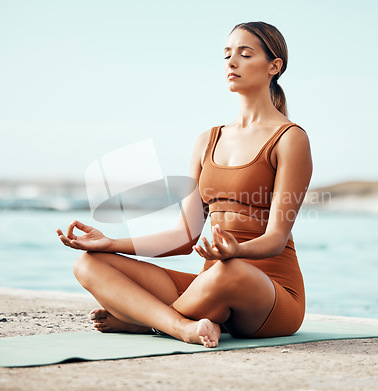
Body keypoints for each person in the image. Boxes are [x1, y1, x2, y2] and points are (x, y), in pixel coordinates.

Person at [56, 21, 312, 348]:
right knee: (89, 264)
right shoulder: (207, 140)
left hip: (272, 297)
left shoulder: (290, 139)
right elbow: (184, 236)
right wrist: (109, 243)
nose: (231, 63)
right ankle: (181, 326)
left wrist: (236, 251)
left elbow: (276, 238)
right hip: (210, 286)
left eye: (245, 55)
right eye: (227, 55)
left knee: (228, 271)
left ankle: (149, 323)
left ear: (274, 67)